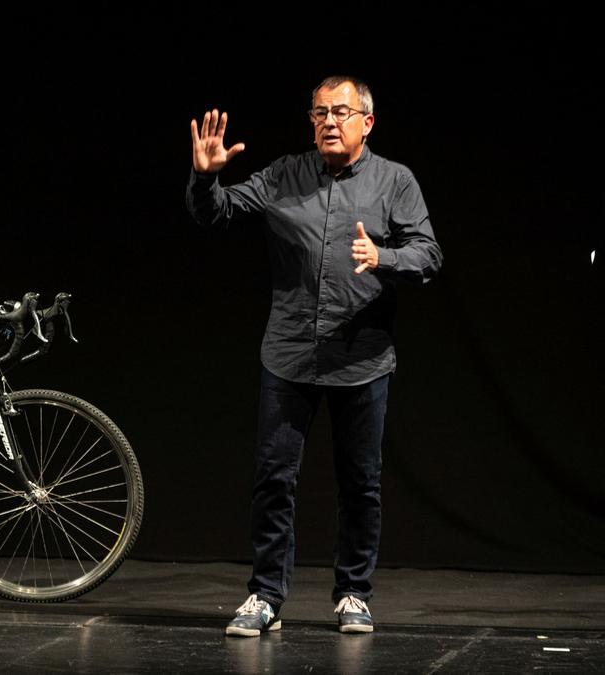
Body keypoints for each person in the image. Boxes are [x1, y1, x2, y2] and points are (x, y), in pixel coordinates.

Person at [186, 76, 442, 635]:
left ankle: (353, 591)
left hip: (361, 358)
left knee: (360, 484)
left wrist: (384, 256)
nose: (329, 121)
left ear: (366, 122)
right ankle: (266, 594)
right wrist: (206, 179)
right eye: (320, 112)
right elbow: (217, 213)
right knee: (274, 478)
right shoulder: (285, 175)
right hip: (289, 353)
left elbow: (427, 253)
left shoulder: (394, 181)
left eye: (342, 111)